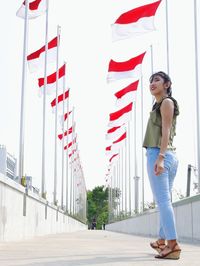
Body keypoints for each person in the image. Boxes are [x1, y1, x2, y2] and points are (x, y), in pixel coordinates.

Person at [143, 71, 181, 260]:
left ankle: (172, 244)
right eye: (150, 80)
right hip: (169, 155)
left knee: (163, 201)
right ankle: (161, 240)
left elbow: (165, 130)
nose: (152, 83)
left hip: (160, 153)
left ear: (167, 84)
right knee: (165, 201)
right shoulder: (160, 104)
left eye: (157, 80)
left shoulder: (167, 102)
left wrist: (159, 157)